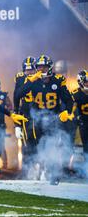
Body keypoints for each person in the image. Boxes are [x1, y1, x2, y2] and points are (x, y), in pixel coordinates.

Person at [18, 54, 74, 184]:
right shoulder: (33, 81)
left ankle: (53, 174)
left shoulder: (57, 81)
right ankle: (39, 169)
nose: (41, 69)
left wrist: (67, 112)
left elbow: (69, 100)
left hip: (53, 120)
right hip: (37, 120)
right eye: (39, 67)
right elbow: (19, 94)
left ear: (49, 67)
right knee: (37, 147)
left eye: (44, 66)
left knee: (52, 146)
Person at [72, 70, 88, 163]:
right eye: (86, 82)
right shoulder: (76, 94)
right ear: (80, 82)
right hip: (82, 122)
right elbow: (72, 109)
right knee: (85, 145)